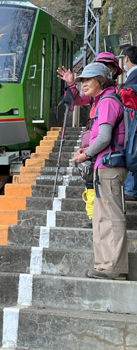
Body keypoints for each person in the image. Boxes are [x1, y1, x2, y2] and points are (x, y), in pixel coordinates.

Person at [73, 62, 128, 280]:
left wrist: (86, 155)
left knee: (110, 217)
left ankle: (113, 268)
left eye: (88, 80)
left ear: (101, 81)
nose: (83, 84)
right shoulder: (106, 99)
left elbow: (105, 138)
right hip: (106, 165)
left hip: (109, 166)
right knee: (101, 217)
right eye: (82, 80)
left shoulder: (106, 102)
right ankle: (105, 265)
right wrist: (88, 149)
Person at [57, 52, 123, 228]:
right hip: (95, 143)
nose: (105, 69)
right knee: (89, 181)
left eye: (108, 67)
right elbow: (78, 99)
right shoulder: (99, 96)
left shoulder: (112, 97)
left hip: (108, 150)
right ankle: (92, 216)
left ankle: (95, 217)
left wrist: (88, 152)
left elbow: (106, 135)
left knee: (98, 187)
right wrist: (71, 83)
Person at [120, 46, 137, 201]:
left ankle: (131, 190)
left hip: (133, 123)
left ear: (127, 59)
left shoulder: (134, 76)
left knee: (132, 151)